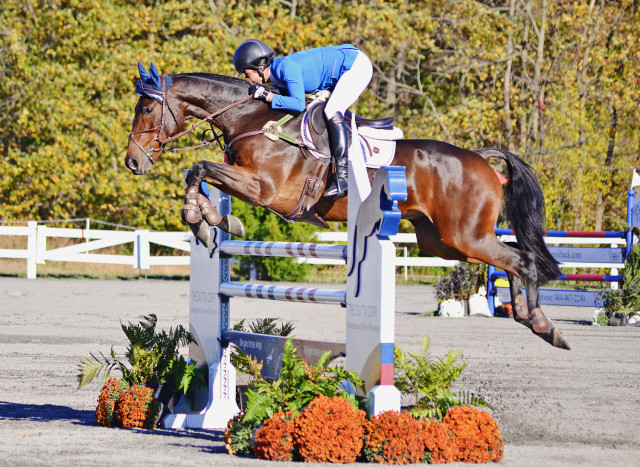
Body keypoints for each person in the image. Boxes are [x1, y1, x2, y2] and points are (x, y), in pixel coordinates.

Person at [233, 39, 374, 199]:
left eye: (247, 74)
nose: (247, 79)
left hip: (356, 66)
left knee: (332, 109)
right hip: (343, 68)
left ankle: (343, 177)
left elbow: (299, 104)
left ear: (259, 68)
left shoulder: (287, 68)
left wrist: (268, 95)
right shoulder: (278, 75)